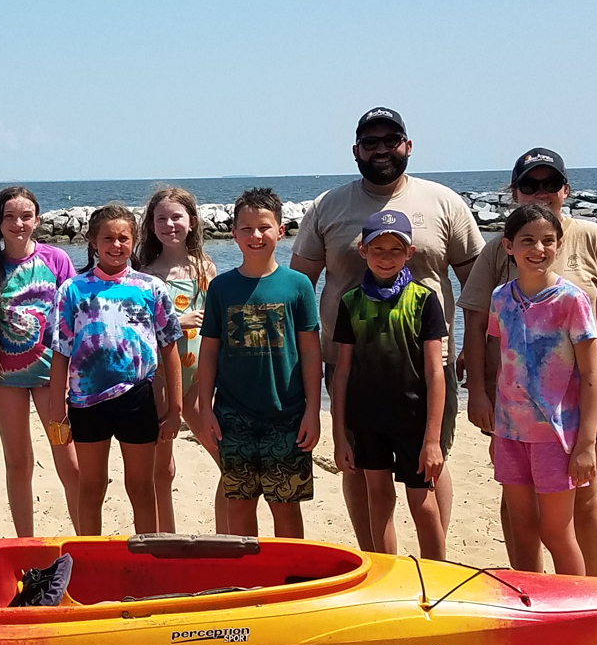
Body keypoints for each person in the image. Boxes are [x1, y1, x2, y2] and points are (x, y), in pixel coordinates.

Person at [291, 108, 483, 552]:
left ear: (408, 146)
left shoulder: (444, 202)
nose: (381, 149)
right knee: (360, 467)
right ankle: (376, 561)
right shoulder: (328, 205)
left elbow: (479, 288)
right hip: (349, 364)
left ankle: (433, 564)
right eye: (371, 141)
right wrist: (297, 357)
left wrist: (479, 352)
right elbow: (300, 287)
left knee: (431, 462)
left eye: (390, 140)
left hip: (428, 367)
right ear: (356, 150)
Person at [461, 148, 597, 576]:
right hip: (515, 411)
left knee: (583, 495)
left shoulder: (594, 237)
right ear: (515, 192)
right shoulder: (496, 255)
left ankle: (592, 589)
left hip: (580, 398)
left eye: (550, 183)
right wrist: (480, 393)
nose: (541, 192)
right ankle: (532, 587)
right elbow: (478, 324)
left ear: (566, 189)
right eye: (530, 184)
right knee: (519, 504)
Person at [50, 204, 183, 535]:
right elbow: (61, 353)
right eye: (108, 238)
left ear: (134, 241)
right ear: (93, 241)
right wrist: (57, 409)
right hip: (85, 401)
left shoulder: (150, 288)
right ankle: (90, 555)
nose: (116, 245)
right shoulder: (72, 289)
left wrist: (175, 408)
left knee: (141, 488)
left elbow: (170, 349)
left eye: (124, 238)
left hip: (137, 399)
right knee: (91, 488)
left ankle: (147, 554)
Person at [200, 188, 322, 538]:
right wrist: (205, 407)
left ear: (280, 231)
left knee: (285, 506)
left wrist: (313, 410)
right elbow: (210, 351)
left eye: (264, 227)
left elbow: (311, 351)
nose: (256, 236)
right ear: (234, 233)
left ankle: (291, 578)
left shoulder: (297, 285)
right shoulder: (221, 288)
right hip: (233, 415)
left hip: (286, 414)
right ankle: (249, 579)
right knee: (238, 504)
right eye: (247, 228)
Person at [487, 204, 597, 576]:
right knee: (522, 530)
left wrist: (585, 444)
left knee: (555, 532)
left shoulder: (571, 300)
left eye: (548, 241)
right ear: (508, 246)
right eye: (528, 241)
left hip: (555, 437)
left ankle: (578, 606)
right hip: (509, 432)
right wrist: (494, 424)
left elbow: (590, 375)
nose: (538, 249)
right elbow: (498, 361)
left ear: (559, 245)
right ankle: (531, 602)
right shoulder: (501, 297)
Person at [331, 211, 447, 559]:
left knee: (423, 505)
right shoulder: (351, 302)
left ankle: (438, 576)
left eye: (395, 250)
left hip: (413, 420)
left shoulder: (424, 300)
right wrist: (340, 434)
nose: (385, 257)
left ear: (409, 252)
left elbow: (435, 373)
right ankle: (388, 573)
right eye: (377, 248)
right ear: (362, 250)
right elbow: (342, 372)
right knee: (378, 500)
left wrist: (432, 439)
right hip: (368, 421)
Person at [0, 186, 81, 536]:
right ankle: (26, 541)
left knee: (68, 462)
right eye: (10, 216)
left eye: (25, 216)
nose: (18, 223)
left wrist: (72, 378)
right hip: (4, 381)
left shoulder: (56, 259)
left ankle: (86, 536)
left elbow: (74, 318)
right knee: (18, 462)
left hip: (53, 378)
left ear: (37, 220)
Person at [136, 186, 227, 533]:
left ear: (191, 221)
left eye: (176, 217)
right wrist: (178, 322)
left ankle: (226, 535)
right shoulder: (144, 271)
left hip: (199, 376)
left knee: (227, 460)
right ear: (151, 224)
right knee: (163, 466)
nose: (169, 224)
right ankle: (164, 536)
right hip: (159, 377)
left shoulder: (204, 268)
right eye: (161, 218)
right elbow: (135, 326)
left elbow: (218, 325)